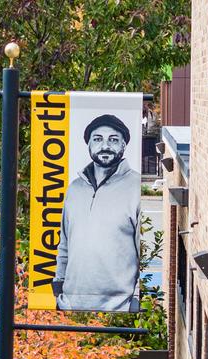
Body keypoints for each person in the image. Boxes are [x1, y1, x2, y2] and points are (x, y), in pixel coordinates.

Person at [53, 113, 142, 312]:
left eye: (113, 140)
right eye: (98, 139)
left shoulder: (136, 186)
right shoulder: (74, 189)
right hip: (70, 305)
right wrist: (58, 289)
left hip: (118, 310)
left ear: (124, 145)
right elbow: (65, 243)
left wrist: (135, 303)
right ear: (89, 145)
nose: (105, 146)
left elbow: (144, 254)